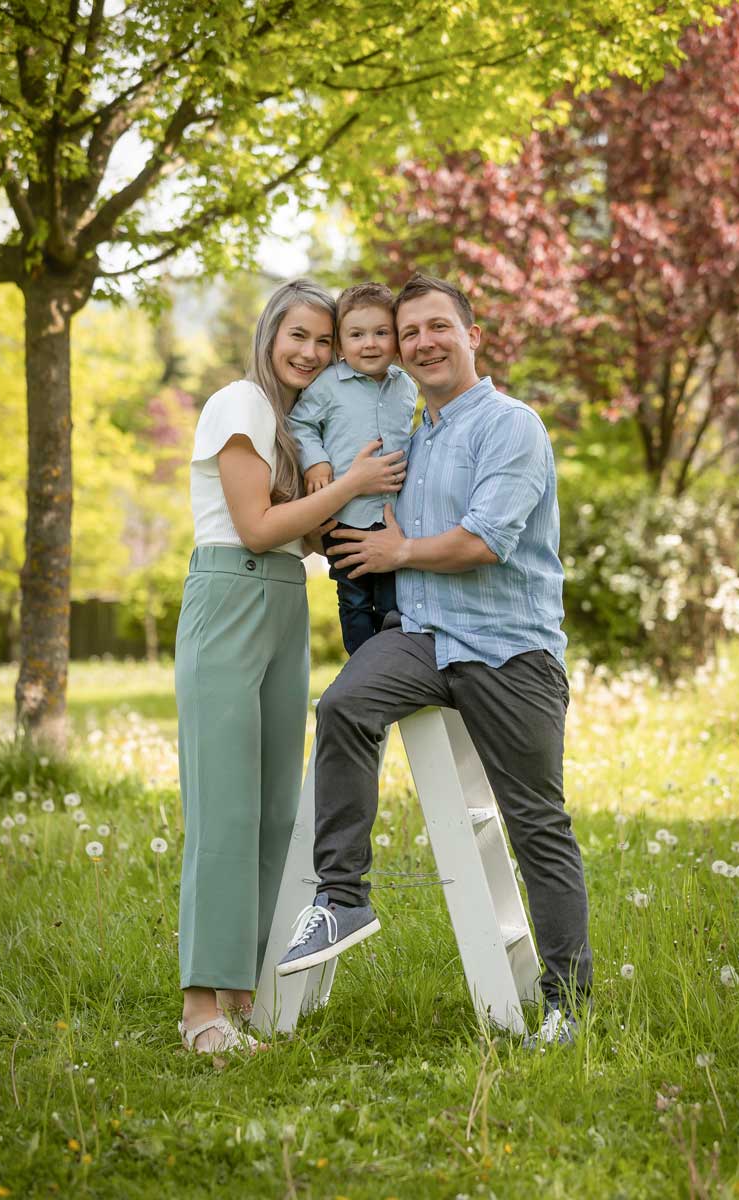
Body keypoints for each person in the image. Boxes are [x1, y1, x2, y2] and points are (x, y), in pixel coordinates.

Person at [277, 273, 593, 1048]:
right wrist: (336, 511)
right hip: (422, 640)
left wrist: (400, 547)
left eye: (437, 326)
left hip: (509, 651)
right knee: (343, 705)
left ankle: (568, 1002)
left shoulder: (511, 426)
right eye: (409, 331)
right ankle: (344, 896)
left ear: (472, 335)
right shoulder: (415, 437)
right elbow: (366, 523)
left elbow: (485, 541)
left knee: (536, 825)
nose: (421, 341)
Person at [174, 278, 406, 1054]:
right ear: (271, 334)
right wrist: (348, 484)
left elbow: (304, 536)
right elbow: (253, 526)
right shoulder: (240, 402)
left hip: (280, 601)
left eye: (325, 342)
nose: (312, 353)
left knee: (275, 809)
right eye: (297, 336)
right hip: (230, 597)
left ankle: (241, 997)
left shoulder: (291, 424)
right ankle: (200, 1011)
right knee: (225, 810)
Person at [289, 283, 417, 655]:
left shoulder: (406, 386)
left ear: (395, 339)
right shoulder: (328, 385)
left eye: (381, 333)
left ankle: (393, 666)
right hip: (346, 517)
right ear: (341, 345)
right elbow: (300, 424)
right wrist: (317, 460)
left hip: (394, 518)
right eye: (356, 335)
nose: (370, 344)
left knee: (394, 602)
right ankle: (362, 668)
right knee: (355, 599)